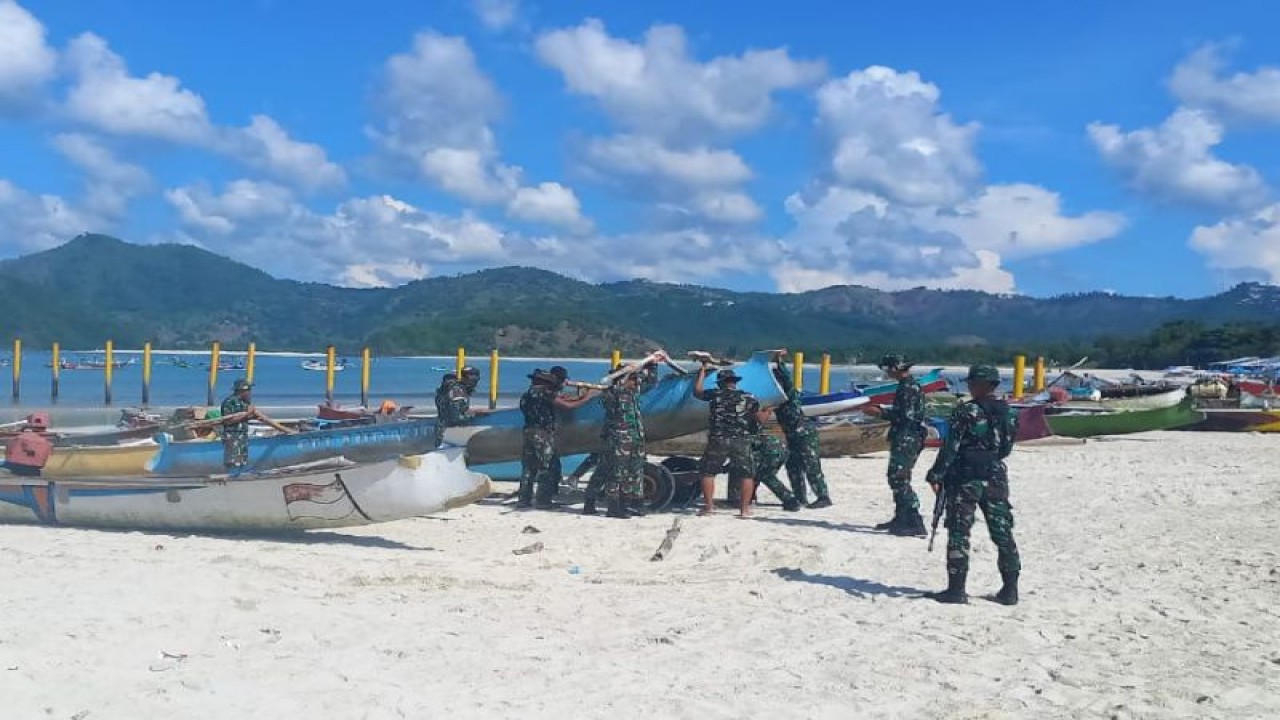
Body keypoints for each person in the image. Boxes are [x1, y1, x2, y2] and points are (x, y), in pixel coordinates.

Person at [923, 365, 1021, 605]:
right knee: (1002, 531)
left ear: (981, 384)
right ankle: (1010, 589)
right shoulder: (1008, 412)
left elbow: (950, 448)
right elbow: (1006, 447)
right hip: (995, 475)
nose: (969, 386)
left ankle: (956, 589)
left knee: (959, 530)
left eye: (971, 383)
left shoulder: (965, 411)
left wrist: (935, 474)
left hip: (965, 477)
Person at [863, 353, 928, 536]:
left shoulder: (908, 387)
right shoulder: (908, 385)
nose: (886, 373)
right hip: (907, 435)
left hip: (907, 436)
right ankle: (901, 517)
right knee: (898, 476)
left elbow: (905, 416)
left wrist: (879, 413)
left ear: (894, 368)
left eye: (887, 369)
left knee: (898, 477)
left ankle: (914, 519)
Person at [585, 362, 657, 518]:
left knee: (634, 471)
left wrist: (653, 365)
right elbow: (610, 396)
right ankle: (611, 505)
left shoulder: (633, 393)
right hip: (617, 439)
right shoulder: (612, 394)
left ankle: (629, 504)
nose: (637, 382)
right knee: (614, 472)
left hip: (635, 437)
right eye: (633, 379)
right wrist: (623, 375)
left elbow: (650, 383)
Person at [518, 368, 596, 509]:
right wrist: (587, 397)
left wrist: (578, 397)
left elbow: (561, 400)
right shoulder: (544, 393)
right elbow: (567, 406)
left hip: (528, 431)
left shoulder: (526, 395)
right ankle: (543, 500)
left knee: (528, 468)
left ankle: (524, 499)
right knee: (547, 467)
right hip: (543, 433)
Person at [693, 364, 758, 517]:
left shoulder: (715, 394)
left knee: (707, 472)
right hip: (741, 439)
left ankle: (709, 507)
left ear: (721, 382)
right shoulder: (748, 397)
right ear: (734, 382)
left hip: (719, 438)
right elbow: (756, 417)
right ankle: (744, 510)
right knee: (747, 474)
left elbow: (697, 392)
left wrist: (702, 371)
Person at [772, 351, 832, 508]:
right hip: (792, 435)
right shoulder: (776, 400)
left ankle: (823, 496)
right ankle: (800, 497)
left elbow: (786, 379)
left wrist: (779, 361)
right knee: (793, 465)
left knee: (811, 464)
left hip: (804, 433)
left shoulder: (789, 396)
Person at [220, 379, 294, 471]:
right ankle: (230, 477)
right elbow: (227, 421)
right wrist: (247, 414)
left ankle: (238, 476)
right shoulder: (229, 402)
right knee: (232, 460)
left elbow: (260, 417)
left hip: (242, 436)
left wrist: (285, 430)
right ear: (242, 391)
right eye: (248, 390)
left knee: (241, 460)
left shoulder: (245, 403)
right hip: (232, 435)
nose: (250, 393)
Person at [748, 408, 803, 511]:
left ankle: (790, 499)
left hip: (770, 449)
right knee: (755, 473)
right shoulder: (751, 418)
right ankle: (750, 497)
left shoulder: (740, 427)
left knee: (765, 475)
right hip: (776, 446)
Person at [435, 366, 485, 442]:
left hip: (443, 431)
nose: (475, 383)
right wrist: (476, 414)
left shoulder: (447, 390)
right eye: (473, 380)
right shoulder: (458, 391)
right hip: (452, 434)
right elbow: (456, 417)